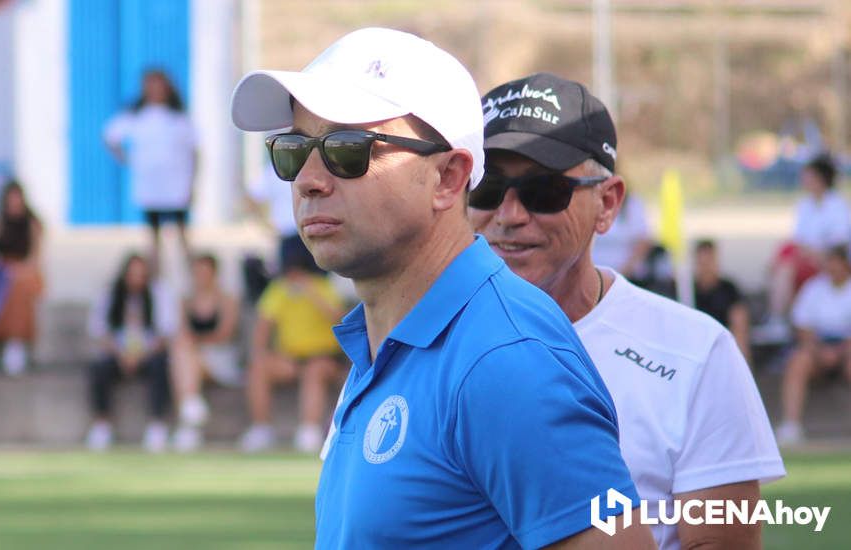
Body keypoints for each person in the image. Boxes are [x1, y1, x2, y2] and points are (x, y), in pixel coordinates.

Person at [231, 28, 653, 548]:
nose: (308, 180)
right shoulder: (395, 339)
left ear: (450, 178)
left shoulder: (503, 356)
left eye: (347, 149)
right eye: (294, 150)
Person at [470, 72, 785, 550]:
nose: (510, 215)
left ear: (608, 202)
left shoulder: (696, 352)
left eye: (544, 192)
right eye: (487, 189)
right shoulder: (407, 341)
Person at [239, 236, 344, 453]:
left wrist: (311, 292)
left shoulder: (323, 287)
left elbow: (339, 319)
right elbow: (263, 326)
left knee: (313, 372)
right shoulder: (279, 290)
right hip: (290, 359)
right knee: (258, 368)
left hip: (324, 357)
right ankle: (261, 429)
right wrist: (260, 354)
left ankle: (309, 430)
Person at [104, 69, 198, 273]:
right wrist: (127, 159)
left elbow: (194, 150)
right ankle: (156, 283)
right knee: (153, 240)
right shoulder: (135, 116)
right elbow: (110, 137)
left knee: (183, 236)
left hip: (176, 186)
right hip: (151, 187)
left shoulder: (178, 117)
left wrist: (192, 183)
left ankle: (193, 280)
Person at [85, 253, 177, 452]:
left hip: (148, 354)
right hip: (118, 353)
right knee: (98, 368)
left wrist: (140, 355)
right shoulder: (110, 294)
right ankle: (102, 424)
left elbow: (165, 333)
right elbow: (99, 331)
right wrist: (121, 354)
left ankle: (157, 425)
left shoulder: (158, 293)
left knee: (162, 365)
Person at [758, 153, 850, 342]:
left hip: (828, 259)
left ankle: (779, 319)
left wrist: (810, 252)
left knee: (785, 268)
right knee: (780, 261)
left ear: (820, 179)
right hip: (806, 256)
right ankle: (786, 319)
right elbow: (798, 239)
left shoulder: (837, 207)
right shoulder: (804, 206)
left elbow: (838, 246)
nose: (804, 180)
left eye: (808, 176)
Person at [776, 245, 851, 445]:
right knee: (797, 362)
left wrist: (840, 351)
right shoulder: (813, 288)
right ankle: (791, 424)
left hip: (846, 349)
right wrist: (819, 350)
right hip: (817, 348)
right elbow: (803, 327)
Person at [0, 179, 44, 378]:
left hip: (23, 271)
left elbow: (35, 259)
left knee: (18, 286)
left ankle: (16, 342)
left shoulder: (32, 225)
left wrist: (16, 269)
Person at [169, 253, 241, 452]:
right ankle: (191, 409)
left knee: (184, 358)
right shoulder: (186, 301)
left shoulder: (227, 300)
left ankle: (188, 417)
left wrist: (197, 341)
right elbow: (181, 331)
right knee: (183, 356)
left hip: (220, 357)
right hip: (193, 358)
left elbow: (225, 334)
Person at [693, 239, 752, 364]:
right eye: (702, 262)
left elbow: (739, 320)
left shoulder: (728, 288)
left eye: (709, 261)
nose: (706, 267)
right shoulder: (688, 291)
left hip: (722, 341)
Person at [591, 187, 651, 279]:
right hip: (590, 279)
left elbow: (643, 242)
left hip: (626, 277)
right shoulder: (588, 200)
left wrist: (622, 275)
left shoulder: (631, 203)